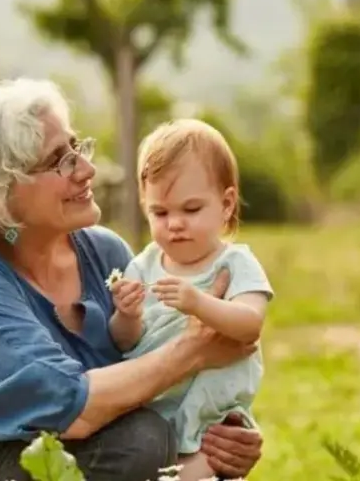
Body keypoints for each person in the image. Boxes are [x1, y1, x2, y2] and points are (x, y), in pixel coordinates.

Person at [0, 79, 263, 481]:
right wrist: (194, 350)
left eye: (76, 148)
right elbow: (72, 408)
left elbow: (147, 372)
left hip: (49, 450)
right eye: (59, 160)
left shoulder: (106, 254)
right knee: (140, 442)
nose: (86, 169)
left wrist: (220, 433)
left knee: (152, 441)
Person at [109, 118, 273, 481]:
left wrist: (199, 303)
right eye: (160, 212)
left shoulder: (234, 263)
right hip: (156, 402)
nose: (174, 224)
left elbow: (250, 324)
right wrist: (127, 315)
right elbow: (125, 342)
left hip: (211, 408)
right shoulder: (143, 265)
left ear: (226, 204)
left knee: (200, 462)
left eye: (191, 209)